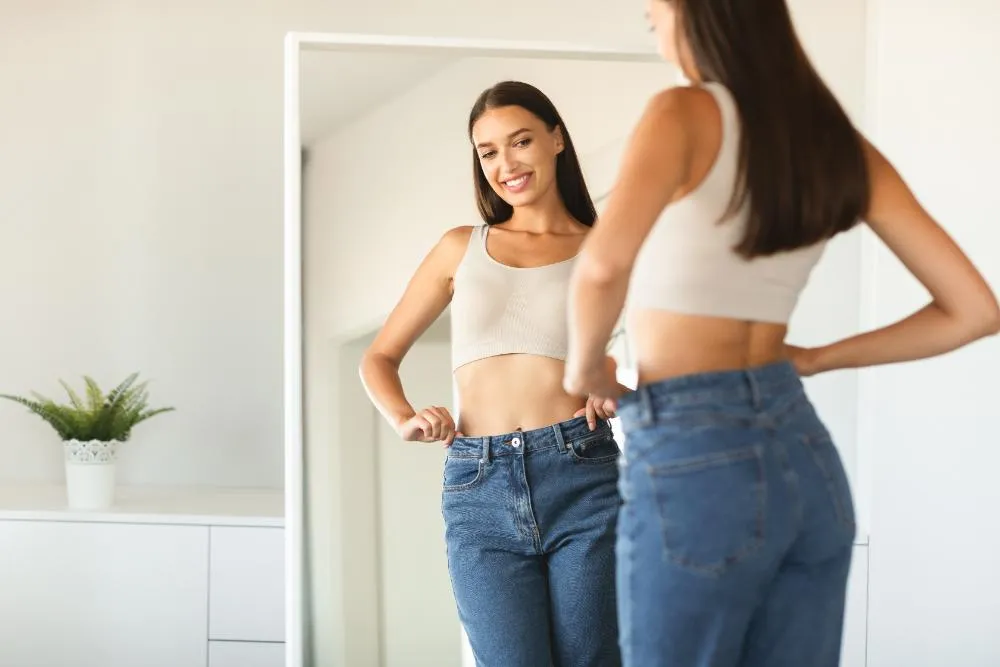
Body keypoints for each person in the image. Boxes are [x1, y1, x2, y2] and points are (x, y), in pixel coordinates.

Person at [562, 1, 1000, 666]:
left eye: (656, 16)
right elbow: (974, 308)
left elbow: (600, 266)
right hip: (804, 456)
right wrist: (816, 359)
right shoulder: (833, 145)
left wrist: (584, 370)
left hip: (693, 452)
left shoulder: (682, 112)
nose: (656, 33)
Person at [359, 80, 626, 667]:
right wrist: (405, 418)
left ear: (556, 138)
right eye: (489, 152)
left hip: (580, 472)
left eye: (521, 140)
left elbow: (664, 375)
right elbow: (377, 358)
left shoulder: (606, 249)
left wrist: (616, 390)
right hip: (478, 483)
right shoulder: (461, 247)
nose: (506, 163)